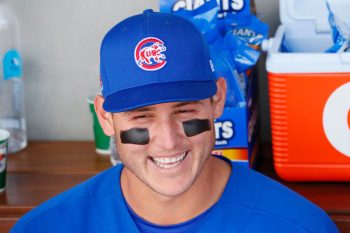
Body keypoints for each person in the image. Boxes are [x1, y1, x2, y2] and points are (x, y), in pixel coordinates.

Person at [12, 9, 339, 233]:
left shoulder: (298, 226)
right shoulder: (46, 227)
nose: (168, 141)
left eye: (185, 111)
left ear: (218, 100)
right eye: (142, 116)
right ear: (105, 118)